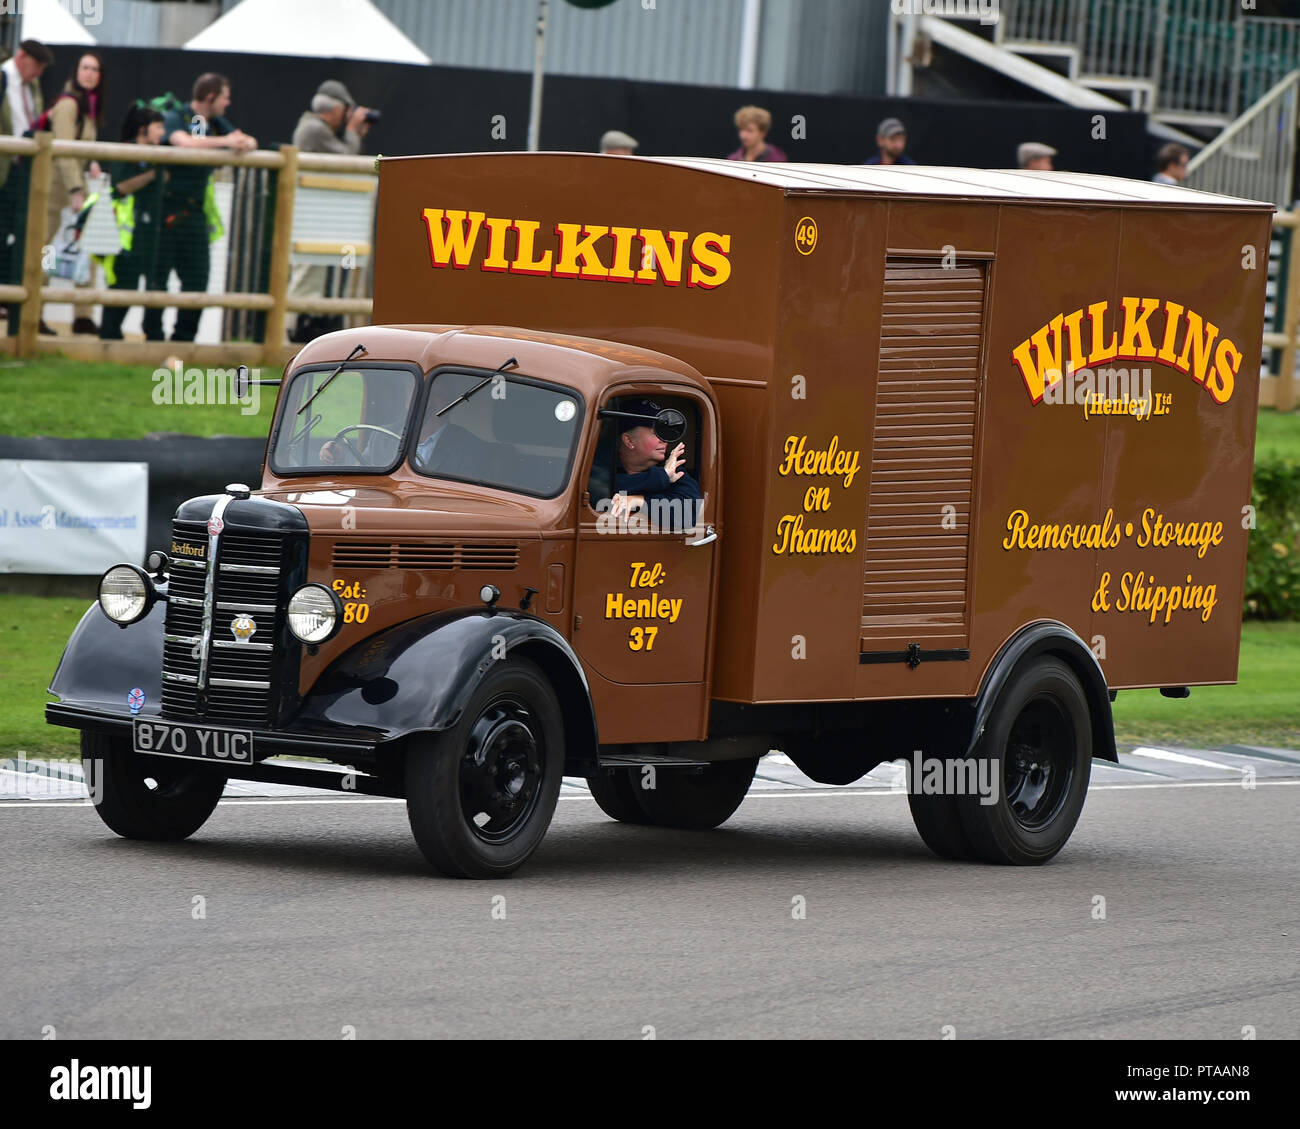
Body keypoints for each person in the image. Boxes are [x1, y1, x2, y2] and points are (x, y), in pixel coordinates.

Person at [156, 73, 257, 343]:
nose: (228, 103)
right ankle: (153, 338)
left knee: (198, 278)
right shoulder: (176, 115)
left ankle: (183, 340)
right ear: (211, 97)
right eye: (225, 97)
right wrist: (225, 143)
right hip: (165, 209)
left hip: (195, 212)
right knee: (158, 279)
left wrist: (239, 142)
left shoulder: (216, 123)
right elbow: (183, 142)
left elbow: (248, 141)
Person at [40, 51, 106, 334]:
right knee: (45, 248)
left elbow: (79, 148)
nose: (89, 73)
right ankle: (34, 312)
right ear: (76, 71)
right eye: (84, 67)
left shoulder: (88, 105)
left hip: (75, 184)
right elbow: (64, 150)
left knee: (87, 247)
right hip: (55, 186)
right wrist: (76, 189)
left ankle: (83, 315)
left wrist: (91, 162)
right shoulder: (69, 104)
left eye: (95, 69)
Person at [99, 106, 166, 341]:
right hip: (125, 237)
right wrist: (151, 176)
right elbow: (120, 187)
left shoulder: (160, 155)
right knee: (123, 286)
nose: (162, 132)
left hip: (150, 234)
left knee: (156, 285)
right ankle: (109, 335)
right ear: (142, 129)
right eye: (158, 126)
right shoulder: (125, 151)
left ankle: (154, 335)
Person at [0, 39, 53, 335]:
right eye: (37, 67)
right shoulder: (3, 78)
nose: (38, 74)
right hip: (4, 169)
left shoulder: (32, 87)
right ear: (22, 58)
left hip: (23, 170)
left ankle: (10, 297)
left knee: (18, 235)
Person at [614, 400, 702, 529]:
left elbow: (689, 512)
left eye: (664, 432)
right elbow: (602, 487)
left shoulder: (672, 466)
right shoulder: (602, 463)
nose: (664, 440)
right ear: (629, 440)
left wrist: (641, 501)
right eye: (656, 433)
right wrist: (662, 477)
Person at [291, 79, 373, 156]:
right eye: (346, 109)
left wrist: (358, 135)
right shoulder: (316, 128)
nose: (348, 114)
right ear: (336, 109)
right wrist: (352, 129)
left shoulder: (311, 123)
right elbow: (347, 157)